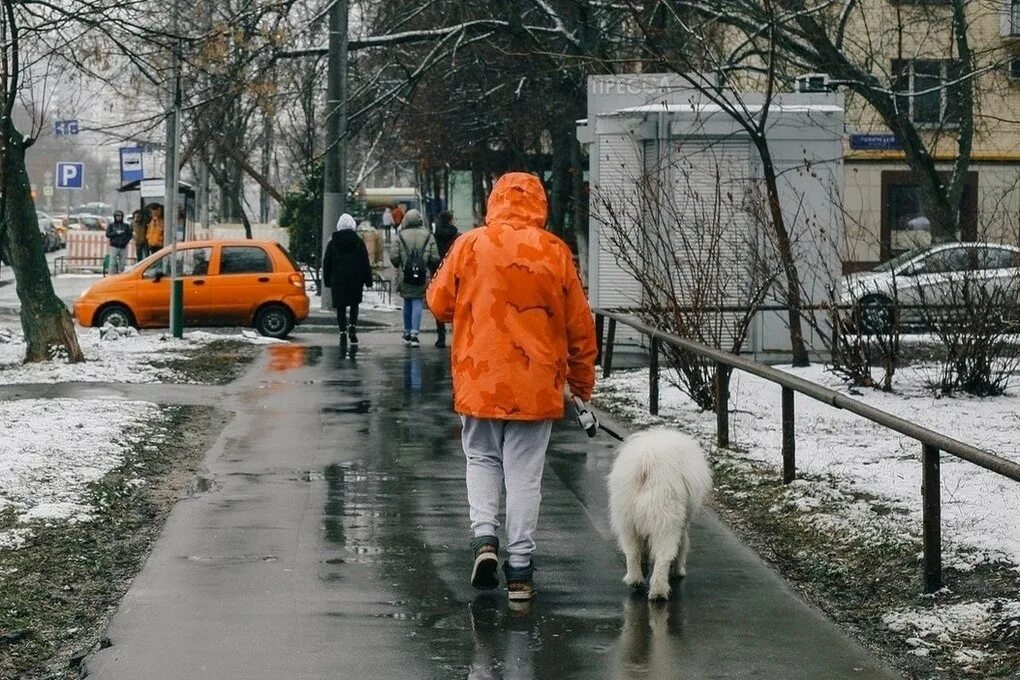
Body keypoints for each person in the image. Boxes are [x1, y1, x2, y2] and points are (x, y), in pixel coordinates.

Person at [426, 172, 597, 602]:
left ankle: (484, 538)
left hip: (479, 376)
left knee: (482, 458)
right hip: (536, 384)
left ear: (494, 201)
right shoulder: (556, 251)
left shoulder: (469, 245)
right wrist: (581, 385)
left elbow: (439, 304)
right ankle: (520, 568)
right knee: (524, 476)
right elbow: (580, 326)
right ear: (540, 204)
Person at [322, 213, 373, 347]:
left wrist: (327, 280)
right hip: (355, 279)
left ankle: (342, 332)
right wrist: (368, 280)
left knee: (341, 307)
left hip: (338, 280)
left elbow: (327, 263)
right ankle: (352, 327)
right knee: (354, 304)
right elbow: (365, 262)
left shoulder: (333, 243)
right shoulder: (358, 242)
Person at [391, 208, 439, 348]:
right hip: (422, 274)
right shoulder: (428, 235)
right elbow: (435, 258)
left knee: (407, 301)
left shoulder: (400, 236)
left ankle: (406, 331)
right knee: (417, 300)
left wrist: (400, 264)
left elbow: (394, 257)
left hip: (405, 275)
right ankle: (414, 334)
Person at [432, 210, 459, 348]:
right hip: (454, 271)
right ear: (450, 220)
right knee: (457, 304)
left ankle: (441, 337)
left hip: (438, 271)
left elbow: (432, 255)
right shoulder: (456, 236)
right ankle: (457, 335)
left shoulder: (435, 236)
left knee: (440, 303)